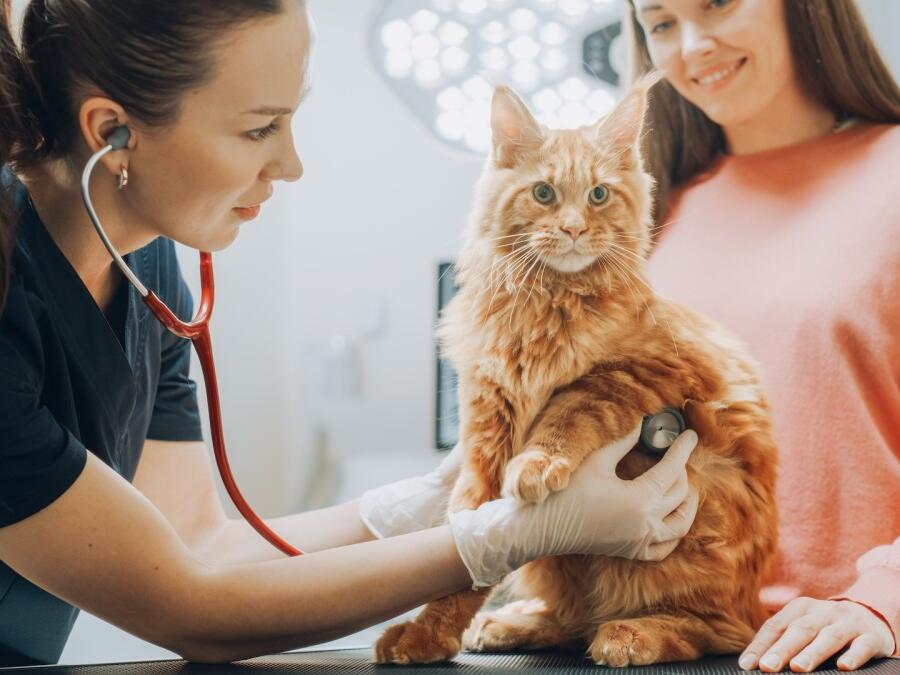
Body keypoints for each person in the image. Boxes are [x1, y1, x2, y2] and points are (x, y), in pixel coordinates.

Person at [0, 0, 702, 667]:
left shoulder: (146, 267)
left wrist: (412, 507)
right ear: (110, 131)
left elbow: (201, 547)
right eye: (259, 129)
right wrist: (505, 539)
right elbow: (188, 606)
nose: (292, 166)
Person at [626, 0, 900, 671]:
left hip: (843, 650)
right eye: (661, 24)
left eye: (717, 3)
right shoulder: (654, 213)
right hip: (665, 643)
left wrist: (884, 598)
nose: (693, 45)